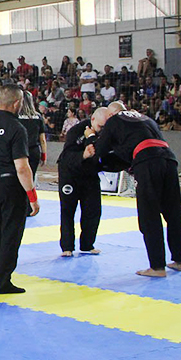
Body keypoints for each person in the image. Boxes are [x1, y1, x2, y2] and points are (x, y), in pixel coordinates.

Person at [93, 106, 181, 277]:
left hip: (147, 161)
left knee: (149, 214)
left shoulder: (114, 120)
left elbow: (100, 149)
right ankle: (179, 261)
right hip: (168, 158)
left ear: (111, 114)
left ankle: (157, 267)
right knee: (174, 212)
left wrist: (91, 138)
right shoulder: (144, 118)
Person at [0, 85, 40, 294]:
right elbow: (22, 167)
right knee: (11, 233)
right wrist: (32, 197)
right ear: (17, 103)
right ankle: (4, 282)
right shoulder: (16, 128)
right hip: (11, 185)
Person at [57, 107, 107, 257]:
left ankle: (87, 244)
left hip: (90, 174)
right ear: (93, 119)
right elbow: (66, 156)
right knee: (68, 210)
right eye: (100, 126)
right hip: (69, 174)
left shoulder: (106, 134)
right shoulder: (76, 131)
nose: (102, 130)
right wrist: (83, 155)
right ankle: (67, 246)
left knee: (93, 210)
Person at [17, 92, 47, 182]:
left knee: (18, 178)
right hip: (34, 151)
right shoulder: (38, 117)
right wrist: (44, 155)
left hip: (19, 151)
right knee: (30, 178)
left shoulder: (16, 116)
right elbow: (42, 139)